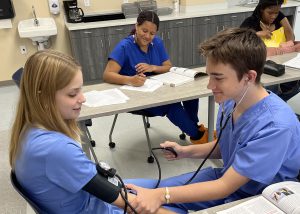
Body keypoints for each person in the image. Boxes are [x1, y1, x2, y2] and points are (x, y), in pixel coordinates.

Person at [124, 28, 300, 214]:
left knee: (148, 203)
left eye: (218, 78)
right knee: (134, 189)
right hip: (229, 179)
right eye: (210, 75)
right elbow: (226, 145)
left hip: (260, 199)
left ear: (249, 77)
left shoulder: (275, 126)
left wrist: (162, 195)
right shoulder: (231, 101)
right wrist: (185, 151)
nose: (210, 86)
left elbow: (225, 187)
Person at [8, 50, 174, 214]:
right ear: (43, 97)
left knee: (170, 190)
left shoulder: (28, 129)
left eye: (80, 90)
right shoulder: (57, 149)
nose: (83, 98)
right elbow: (130, 205)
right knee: (170, 196)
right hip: (98, 206)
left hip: (87, 198)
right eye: (73, 93)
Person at [103, 10, 212, 144]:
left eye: (152, 33)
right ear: (136, 26)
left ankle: (195, 128)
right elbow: (107, 75)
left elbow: (168, 66)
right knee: (173, 106)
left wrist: (152, 67)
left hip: (158, 89)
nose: (147, 36)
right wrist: (130, 80)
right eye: (144, 30)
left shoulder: (157, 43)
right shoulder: (124, 47)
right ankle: (199, 136)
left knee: (190, 96)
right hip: (137, 96)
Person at [240, 0, 300, 102]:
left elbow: (290, 33)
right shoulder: (250, 22)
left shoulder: (279, 17)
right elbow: (238, 39)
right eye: (270, 13)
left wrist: (289, 43)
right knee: (272, 87)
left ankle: (278, 103)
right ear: (261, 9)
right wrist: (258, 34)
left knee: (295, 82)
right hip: (263, 65)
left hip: (284, 61)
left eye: (276, 12)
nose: (273, 16)